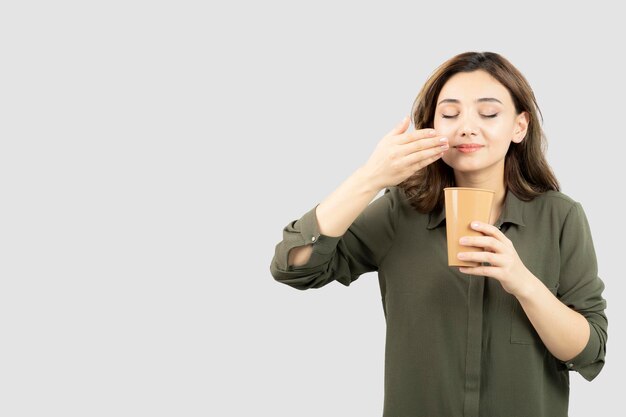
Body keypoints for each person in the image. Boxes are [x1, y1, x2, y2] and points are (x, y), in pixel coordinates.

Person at [269, 51, 608, 417]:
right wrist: (371, 177)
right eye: (449, 114)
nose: (466, 126)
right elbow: (294, 266)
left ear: (519, 126)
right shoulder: (401, 211)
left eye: (489, 113)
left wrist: (522, 282)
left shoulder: (561, 216)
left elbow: (588, 351)